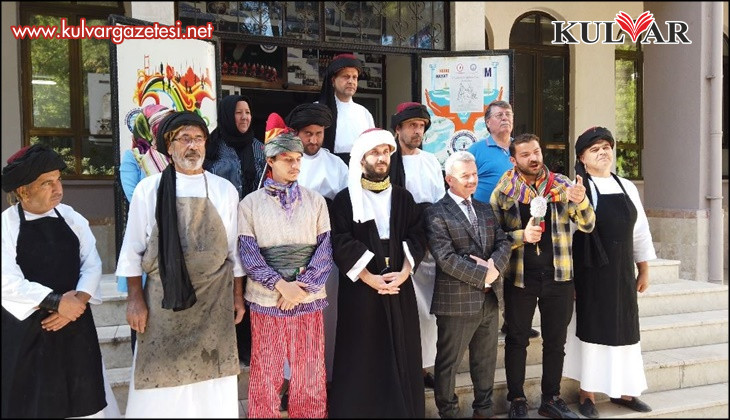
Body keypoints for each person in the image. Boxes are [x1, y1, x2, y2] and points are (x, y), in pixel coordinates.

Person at [115, 111, 245, 418]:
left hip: (214, 301)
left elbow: (233, 251)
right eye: (184, 138)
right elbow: (132, 250)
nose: (193, 146)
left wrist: (237, 295)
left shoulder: (224, 190)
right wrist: (135, 300)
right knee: (161, 379)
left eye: (198, 138)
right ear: (169, 147)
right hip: (163, 304)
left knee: (213, 380)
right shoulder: (149, 190)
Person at [2, 144, 120, 418]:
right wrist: (56, 302)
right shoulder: (6, 226)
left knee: (82, 400)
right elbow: (6, 281)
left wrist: (75, 305)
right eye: (47, 183)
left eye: (59, 180)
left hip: (75, 328)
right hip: (29, 331)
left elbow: (92, 264)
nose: (58, 189)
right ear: (23, 190)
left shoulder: (72, 218)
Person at [490, 133, 595, 419]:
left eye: (536, 151)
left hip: (559, 276)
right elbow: (494, 238)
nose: (534, 158)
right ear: (513, 160)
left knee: (555, 341)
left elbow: (586, 225)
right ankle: (517, 399)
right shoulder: (504, 191)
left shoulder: (563, 186)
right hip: (520, 278)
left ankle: (551, 398)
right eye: (525, 154)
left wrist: (582, 200)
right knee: (517, 339)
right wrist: (519, 236)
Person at [329, 128, 427, 417]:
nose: (382, 157)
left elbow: (418, 236)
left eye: (386, 152)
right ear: (361, 159)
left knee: (401, 349)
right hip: (362, 289)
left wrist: (405, 272)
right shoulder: (345, 200)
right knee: (363, 352)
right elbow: (340, 241)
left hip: (399, 284)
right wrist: (370, 278)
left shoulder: (404, 198)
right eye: (375, 152)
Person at [238, 129, 333, 418]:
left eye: (297, 159)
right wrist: (281, 285)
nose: (294, 165)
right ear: (270, 161)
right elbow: (248, 253)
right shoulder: (249, 204)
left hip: (308, 300)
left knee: (309, 370)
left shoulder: (316, 201)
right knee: (266, 370)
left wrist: (301, 289)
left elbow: (325, 250)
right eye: (286, 159)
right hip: (267, 300)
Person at [563, 127, 656, 418]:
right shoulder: (578, 188)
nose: (603, 152)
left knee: (625, 328)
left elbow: (640, 231)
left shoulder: (627, 186)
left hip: (621, 270)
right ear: (582, 158)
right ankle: (587, 393)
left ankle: (625, 391)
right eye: (595, 149)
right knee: (591, 329)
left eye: (606, 146)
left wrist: (644, 268)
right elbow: (568, 233)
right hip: (590, 272)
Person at [425, 151, 512, 418]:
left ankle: (483, 411)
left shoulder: (485, 209)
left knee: (485, 362)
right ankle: (448, 412)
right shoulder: (436, 213)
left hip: (489, 299)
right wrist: (483, 274)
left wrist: (494, 267)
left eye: (474, 174)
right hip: (456, 302)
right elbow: (446, 258)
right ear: (449, 179)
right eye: (466, 176)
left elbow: (504, 242)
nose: (473, 180)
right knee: (448, 363)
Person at [284, 103, 346, 388]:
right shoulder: (284, 161)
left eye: (318, 133)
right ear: (296, 133)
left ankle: (327, 380)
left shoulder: (336, 165)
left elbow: (348, 207)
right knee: (292, 319)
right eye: (307, 133)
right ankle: (291, 382)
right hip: (291, 254)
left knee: (326, 319)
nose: (313, 140)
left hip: (329, 255)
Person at [467, 100, 540, 339]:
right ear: (488, 123)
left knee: (515, 272)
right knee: (488, 270)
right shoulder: (476, 150)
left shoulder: (520, 149)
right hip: (484, 221)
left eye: (508, 113)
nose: (505, 118)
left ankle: (513, 321)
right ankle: (480, 324)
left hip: (518, 221)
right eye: (499, 115)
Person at [204, 94, 265, 367]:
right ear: (228, 115)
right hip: (222, 227)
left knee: (252, 287)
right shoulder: (213, 147)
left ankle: (249, 349)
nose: (244, 118)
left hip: (254, 229)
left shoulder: (260, 149)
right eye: (239, 113)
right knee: (225, 284)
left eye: (248, 112)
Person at [389, 101, 446, 388]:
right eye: (412, 125)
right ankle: (400, 364)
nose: (417, 131)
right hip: (398, 239)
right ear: (398, 128)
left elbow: (438, 201)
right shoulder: (388, 161)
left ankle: (424, 366)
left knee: (427, 311)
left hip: (428, 238)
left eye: (421, 126)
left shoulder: (431, 160)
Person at [118, 103, 174, 352]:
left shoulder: (178, 157)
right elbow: (133, 195)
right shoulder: (134, 157)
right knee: (143, 318)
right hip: (148, 238)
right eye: (163, 127)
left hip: (177, 245)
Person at [318, 53, 375, 164]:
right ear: (333, 80)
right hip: (327, 166)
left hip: (359, 168)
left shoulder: (363, 113)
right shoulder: (318, 110)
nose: (351, 81)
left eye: (354, 77)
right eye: (346, 76)